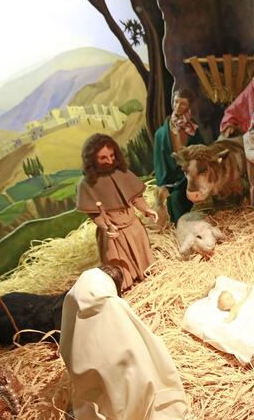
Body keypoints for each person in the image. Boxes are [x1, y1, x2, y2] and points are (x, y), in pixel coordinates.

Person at [60, 267, 190, 420]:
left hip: (99, 400)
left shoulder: (72, 314)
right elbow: (139, 346)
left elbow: (69, 354)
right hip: (132, 392)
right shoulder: (113, 307)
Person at [76, 134, 158, 291]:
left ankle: (146, 274)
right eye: (103, 158)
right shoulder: (86, 185)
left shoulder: (123, 173)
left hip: (133, 227)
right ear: (92, 159)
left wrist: (146, 209)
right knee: (120, 263)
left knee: (142, 255)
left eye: (112, 155)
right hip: (114, 233)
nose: (110, 161)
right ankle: (127, 285)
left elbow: (135, 198)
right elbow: (95, 214)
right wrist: (107, 227)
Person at [154, 87, 206, 223]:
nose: (178, 106)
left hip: (189, 178)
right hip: (172, 181)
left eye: (182, 103)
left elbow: (201, 153)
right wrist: (162, 184)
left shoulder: (193, 130)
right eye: (176, 102)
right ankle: (181, 227)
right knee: (175, 201)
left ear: (188, 106)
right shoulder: (161, 134)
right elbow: (159, 163)